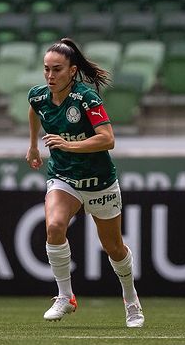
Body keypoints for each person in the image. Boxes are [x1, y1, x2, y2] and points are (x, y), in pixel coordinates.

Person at [25, 38, 144, 328]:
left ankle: (131, 302)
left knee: (114, 247)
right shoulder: (39, 97)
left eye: (57, 70)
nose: (50, 76)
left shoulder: (86, 98)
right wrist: (32, 146)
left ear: (72, 70)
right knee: (53, 227)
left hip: (99, 182)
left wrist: (67, 144)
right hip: (64, 177)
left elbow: (108, 139)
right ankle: (65, 296)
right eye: (46, 70)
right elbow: (34, 111)